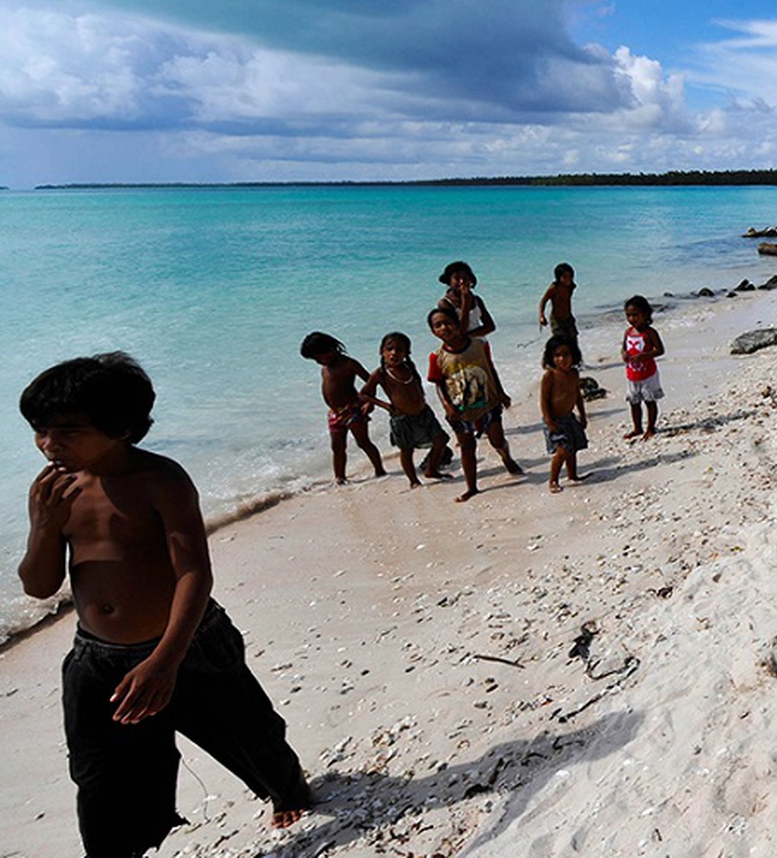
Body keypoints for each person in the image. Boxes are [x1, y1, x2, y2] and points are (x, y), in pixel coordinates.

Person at [18, 353, 313, 857]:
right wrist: (45, 527)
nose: (49, 444)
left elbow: (193, 571)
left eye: (68, 430)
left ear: (121, 428)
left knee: (248, 735)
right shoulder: (55, 492)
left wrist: (165, 660)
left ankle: (286, 790)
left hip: (189, 645)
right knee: (102, 776)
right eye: (40, 430)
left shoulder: (160, 481)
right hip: (98, 660)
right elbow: (39, 586)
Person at [426, 306, 522, 502]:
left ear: (457, 324)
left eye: (448, 323)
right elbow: (439, 385)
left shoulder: (479, 345)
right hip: (460, 410)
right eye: (438, 325)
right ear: (433, 332)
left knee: (497, 440)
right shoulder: (437, 357)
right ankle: (472, 487)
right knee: (467, 447)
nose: (444, 328)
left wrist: (502, 393)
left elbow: (490, 369)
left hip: (488, 402)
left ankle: (506, 457)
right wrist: (447, 406)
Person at [359, 332, 453, 487]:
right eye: (389, 349)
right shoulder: (380, 373)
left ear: (406, 353)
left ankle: (431, 470)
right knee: (407, 450)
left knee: (441, 440)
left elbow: (416, 384)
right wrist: (385, 406)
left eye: (400, 350)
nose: (394, 353)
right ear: (381, 351)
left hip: (424, 412)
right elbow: (363, 394)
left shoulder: (410, 367)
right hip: (402, 418)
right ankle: (413, 480)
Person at [299, 331, 386, 484]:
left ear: (331, 350)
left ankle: (379, 469)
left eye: (319, 357)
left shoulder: (348, 364)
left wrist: (369, 402)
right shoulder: (325, 368)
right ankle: (340, 477)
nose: (318, 362)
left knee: (363, 442)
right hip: (334, 413)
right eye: (315, 360)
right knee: (337, 447)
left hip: (353, 409)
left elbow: (370, 382)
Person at [539, 336, 589, 492]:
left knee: (572, 448)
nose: (562, 359)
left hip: (569, 417)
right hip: (555, 419)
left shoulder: (574, 373)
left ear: (573, 355)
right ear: (551, 357)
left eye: (566, 355)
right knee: (562, 451)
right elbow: (544, 400)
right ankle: (553, 480)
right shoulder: (550, 375)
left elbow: (577, 395)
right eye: (557, 356)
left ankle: (572, 475)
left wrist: (582, 414)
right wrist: (548, 420)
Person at [620, 295, 665, 440]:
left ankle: (651, 427)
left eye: (635, 315)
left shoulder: (650, 332)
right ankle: (637, 427)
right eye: (628, 315)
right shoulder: (628, 332)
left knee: (649, 401)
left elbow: (660, 350)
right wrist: (624, 354)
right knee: (634, 402)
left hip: (648, 374)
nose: (631, 319)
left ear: (645, 314)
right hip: (632, 374)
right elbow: (624, 348)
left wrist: (645, 356)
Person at [437, 261, 496, 339]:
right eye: (457, 278)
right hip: (460, 349)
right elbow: (460, 331)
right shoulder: (445, 303)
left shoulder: (476, 300)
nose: (462, 281)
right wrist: (465, 303)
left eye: (465, 278)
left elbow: (490, 326)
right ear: (449, 282)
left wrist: (467, 337)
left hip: (480, 345)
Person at [538, 263, 578, 343]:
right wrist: (541, 315)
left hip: (568, 318)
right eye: (565, 277)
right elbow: (543, 301)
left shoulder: (571, 287)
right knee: (560, 342)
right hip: (557, 320)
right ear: (558, 277)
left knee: (573, 341)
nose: (568, 279)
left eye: (570, 276)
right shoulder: (554, 288)